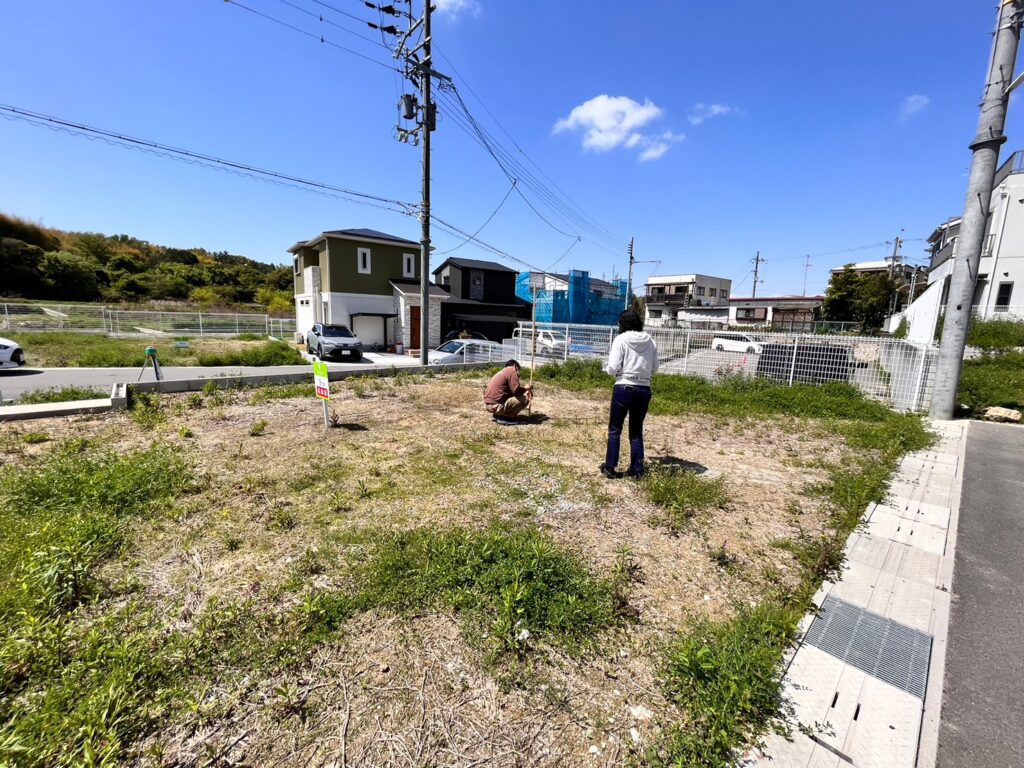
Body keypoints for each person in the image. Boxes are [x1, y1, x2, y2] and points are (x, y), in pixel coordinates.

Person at [601, 310, 658, 479]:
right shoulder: (651, 341)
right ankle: (637, 470)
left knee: (615, 430)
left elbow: (612, 367)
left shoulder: (620, 339)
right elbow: (655, 368)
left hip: (623, 388)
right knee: (636, 431)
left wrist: (608, 369)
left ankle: (610, 467)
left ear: (622, 324)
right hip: (644, 389)